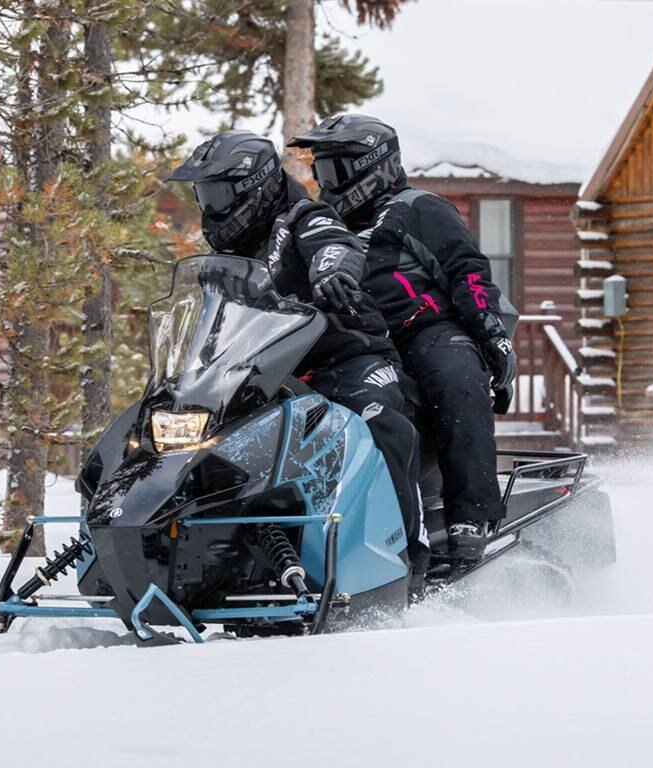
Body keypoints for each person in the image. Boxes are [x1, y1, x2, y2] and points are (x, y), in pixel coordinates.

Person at [168, 130, 429, 589]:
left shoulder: (303, 218)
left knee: (379, 421)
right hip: (272, 372)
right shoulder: (229, 255)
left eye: (219, 194)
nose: (211, 207)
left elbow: (334, 242)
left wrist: (332, 270)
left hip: (348, 356)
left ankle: (410, 555)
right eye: (204, 195)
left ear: (255, 187)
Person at [288, 114, 517, 561]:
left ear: (373, 166)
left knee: (453, 379)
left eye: (335, 170)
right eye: (321, 170)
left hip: (425, 328)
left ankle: (471, 515)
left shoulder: (418, 208)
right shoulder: (320, 226)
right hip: (357, 341)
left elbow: (467, 271)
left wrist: (492, 335)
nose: (325, 182)